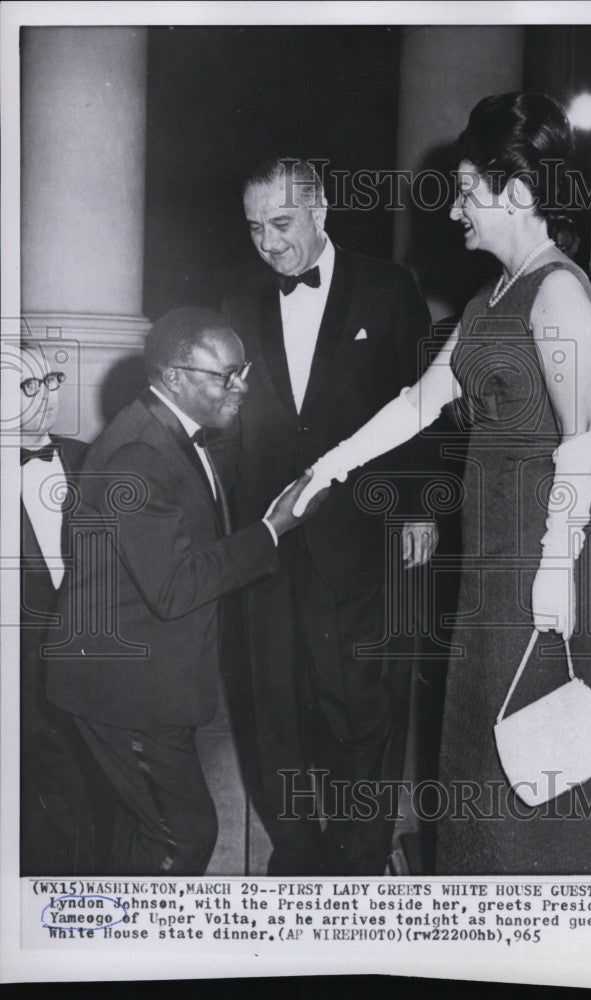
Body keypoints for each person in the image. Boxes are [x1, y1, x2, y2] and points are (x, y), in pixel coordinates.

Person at [295, 93, 591, 875]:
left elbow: (581, 448)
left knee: (564, 731)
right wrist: (330, 466)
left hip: (543, 552)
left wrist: (556, 570)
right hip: (490, 554)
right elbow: (421, 401)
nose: (453, 210)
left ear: (516, 192)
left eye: (463, 189)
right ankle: (498, 882)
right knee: (499, 733)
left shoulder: (559, 294)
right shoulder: (489, 302)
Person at [45, 308, 323, 875]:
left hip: (142, 680)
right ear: (174, 377)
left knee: (147, 833)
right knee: (186, 836)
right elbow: (176, 586)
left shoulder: (164, 432)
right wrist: (274, 530)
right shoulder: (138, 456)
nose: (241, 385)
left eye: (241, 369)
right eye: (226, 375)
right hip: (124, 694)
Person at [219, 156, 435, 876]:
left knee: (358, 702)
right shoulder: (241, 296)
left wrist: (418, 510)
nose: (269, 243)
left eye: (281, 224)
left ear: (323, 210)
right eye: (255, 228)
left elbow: (420, 406)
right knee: (274, 704)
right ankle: (297, 849)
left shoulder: (389, 287)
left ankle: (359, 854)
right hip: (267, 534)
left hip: (360, 527)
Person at [18, 342, 111, 873]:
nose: (47, 396)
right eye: (27, 385)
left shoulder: (88, 458)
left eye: (50, 380)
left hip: (94, 656)